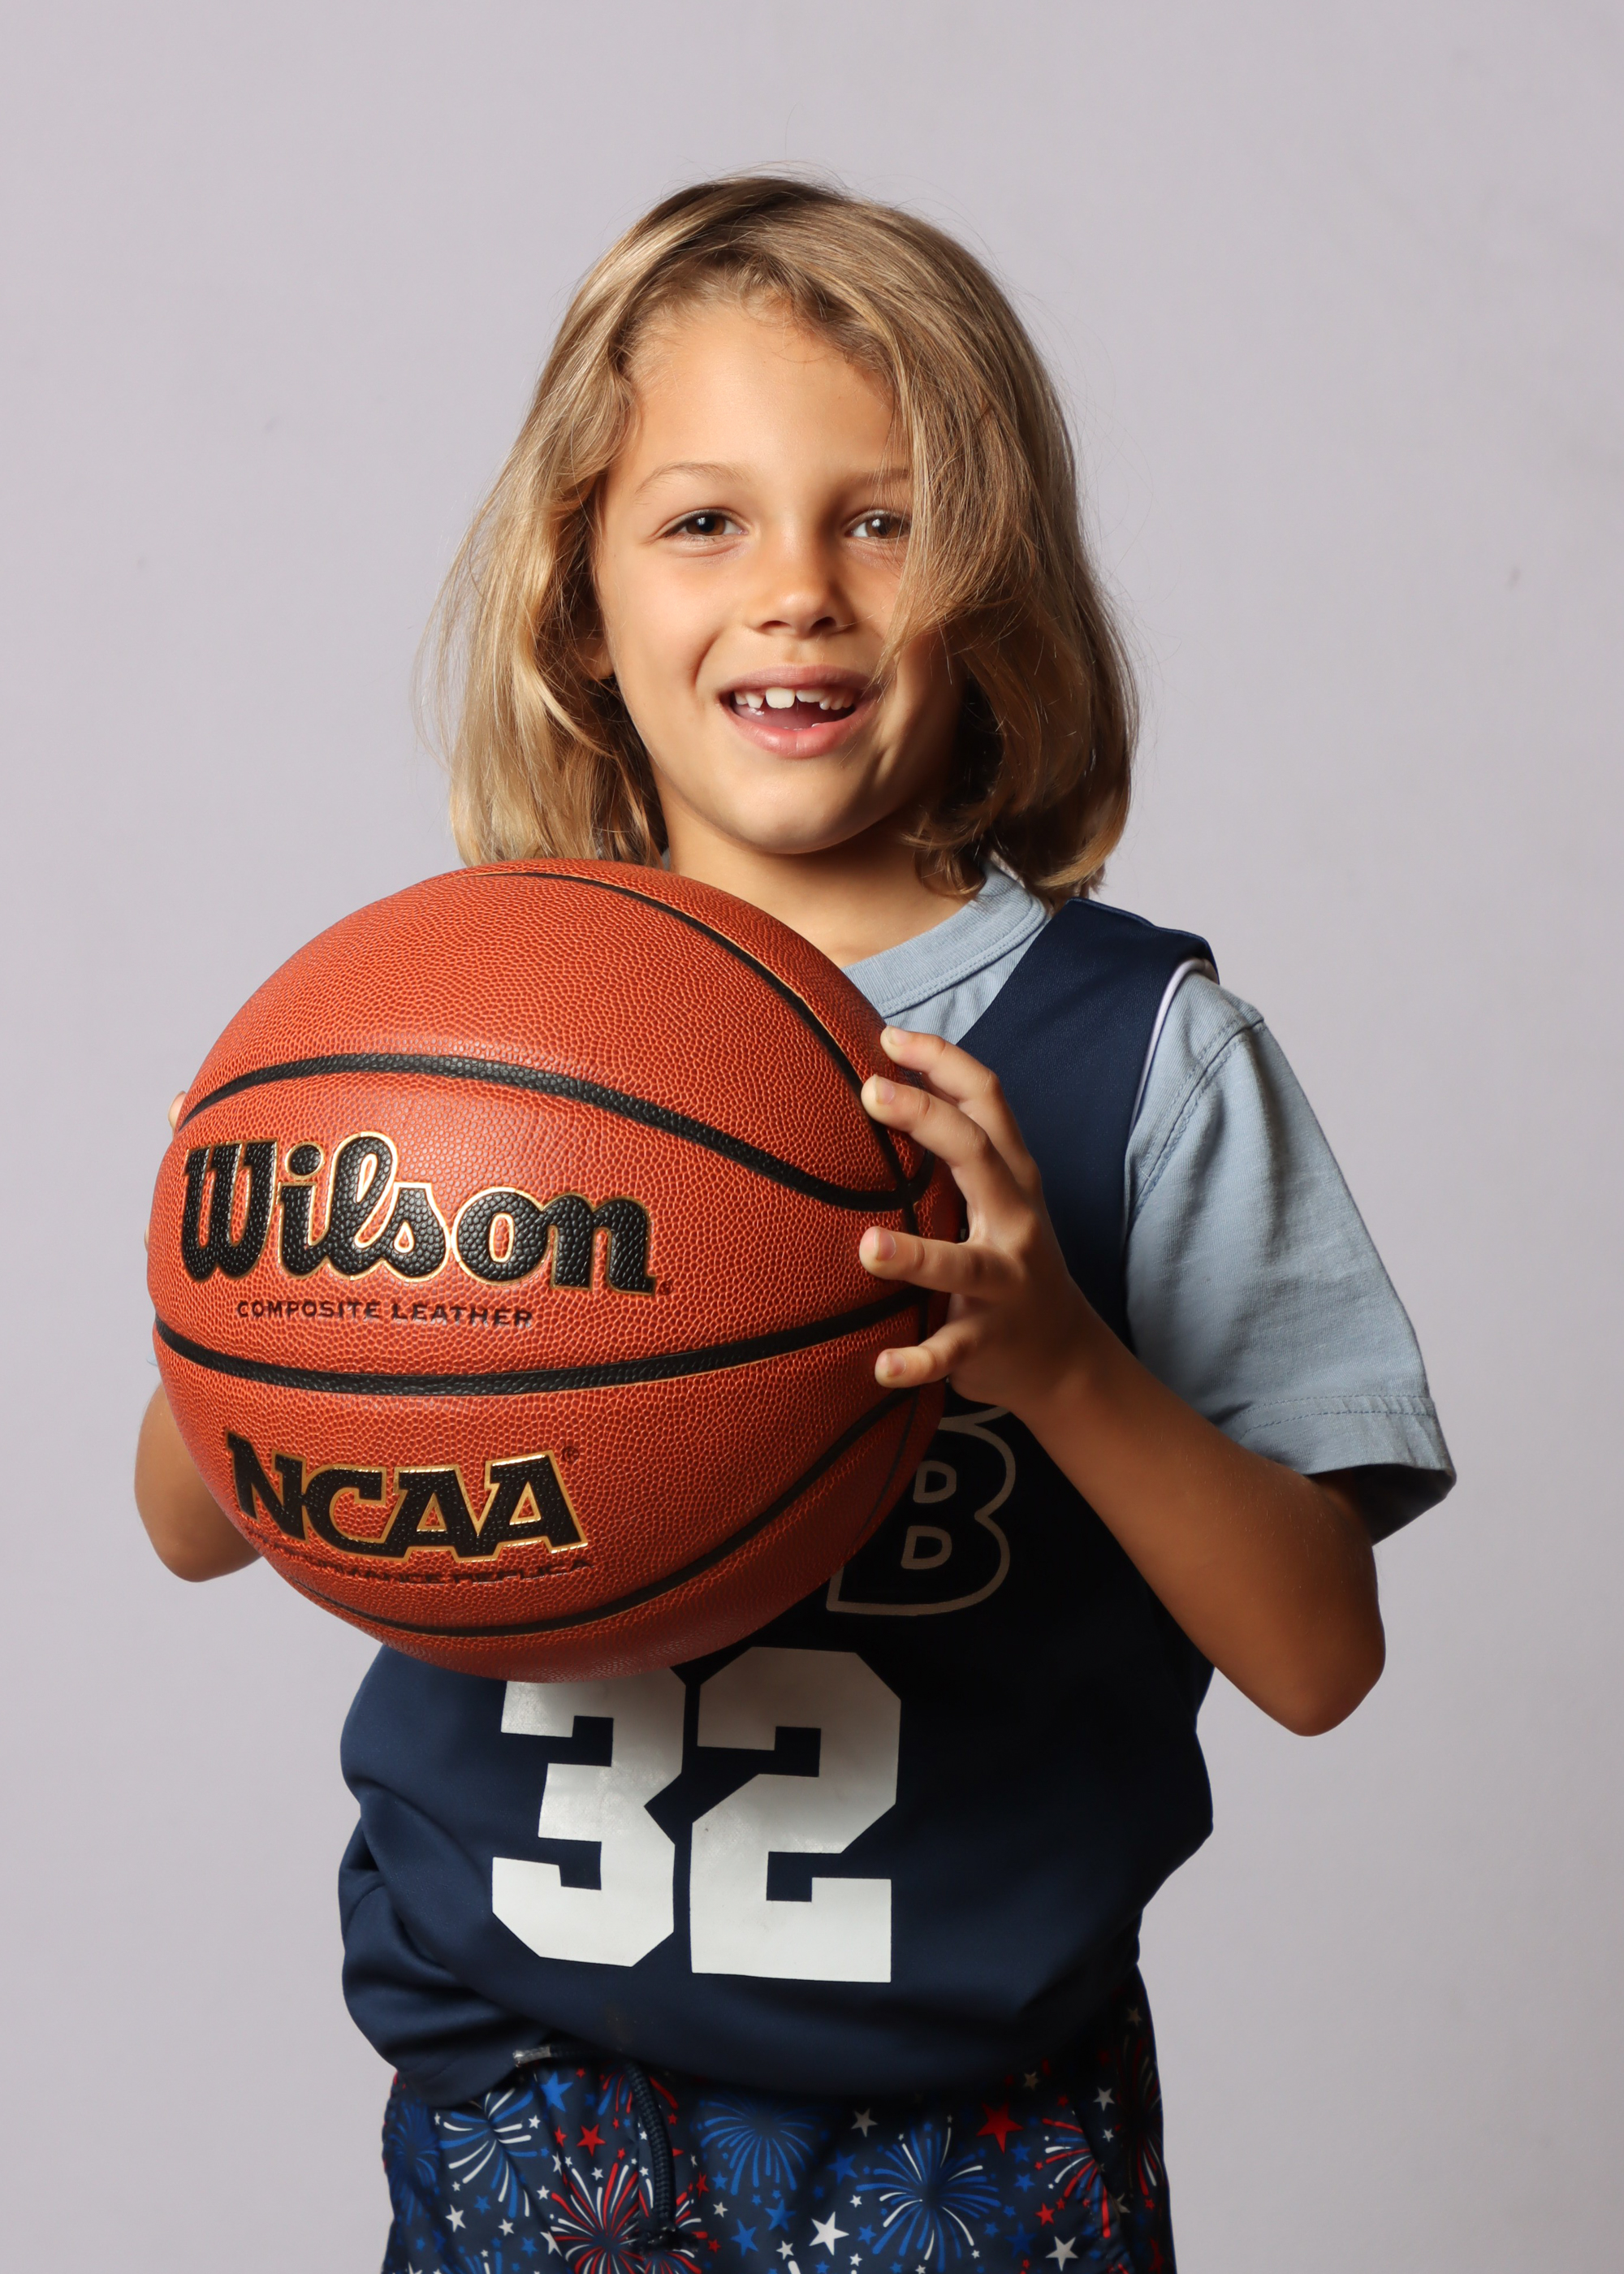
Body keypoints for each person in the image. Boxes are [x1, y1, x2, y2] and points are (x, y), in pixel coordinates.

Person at [135, 176, 1453, 2274]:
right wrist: (303, 1288)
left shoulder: (1145, 1057)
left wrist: (1061, 1361)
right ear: (579, 598)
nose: (798, 595)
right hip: (520, 2094)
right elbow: (193, 1521)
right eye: (705, 521)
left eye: (882, 520)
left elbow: (1317, 1656)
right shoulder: (462, 1028)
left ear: (993, 588)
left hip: (970, 2132)